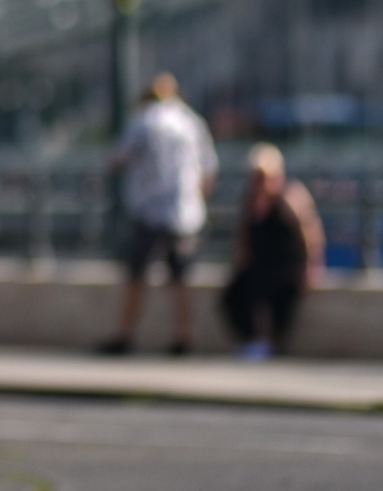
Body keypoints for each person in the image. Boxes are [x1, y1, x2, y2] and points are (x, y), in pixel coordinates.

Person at [97, 72, 217, 356]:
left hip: (149, 209)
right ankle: (183, 337)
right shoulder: (191, 122)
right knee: (180, 278)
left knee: (136, 276)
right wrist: (195, 197)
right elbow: (209, 170)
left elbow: (118, 159)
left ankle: (124, 335)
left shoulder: (143, 121)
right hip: (184, 212)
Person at [222, 144, 323, 360]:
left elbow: (310, 234)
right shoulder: (249, 200)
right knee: (233, 296)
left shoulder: (290, 197)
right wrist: (242, 257)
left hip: (285, 264)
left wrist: (311, 267)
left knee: (275, 297)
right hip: (260, 262)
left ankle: (270, 344)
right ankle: (251, 340)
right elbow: (244, 232)